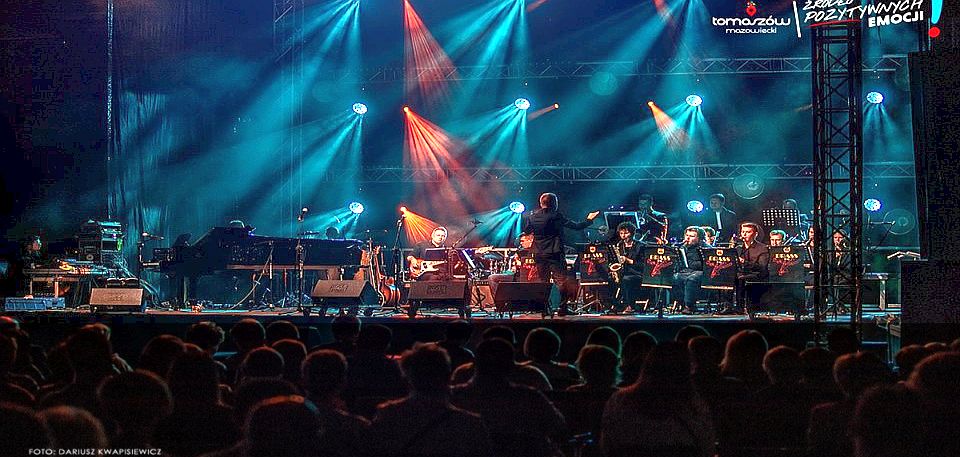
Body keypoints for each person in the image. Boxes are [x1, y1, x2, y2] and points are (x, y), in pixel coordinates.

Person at [522, 193, 599, 315]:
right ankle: (562, 308)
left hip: (539, 252)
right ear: (555, 204)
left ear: (541, 203)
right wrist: (589, 220)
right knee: (561, 280)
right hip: (554, 252)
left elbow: (526, 231)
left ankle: (544, 309)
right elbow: (576, 226)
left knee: (543, 281)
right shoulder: (556, 216)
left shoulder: (532, 216)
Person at [720, 222, 768, 315]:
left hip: (756, 274)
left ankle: (740, 307)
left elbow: (762, 267)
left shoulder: (762, 248)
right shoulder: (738, 248)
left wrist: (744, 262)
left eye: (748, 232)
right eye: (743, 232)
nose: (744, 234)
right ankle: (728, 306)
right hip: (741, 272)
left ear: (755, 234)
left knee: (740, 278)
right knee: (726, 277)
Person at [609, 222, 644, 314]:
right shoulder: (619, 245)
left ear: (632, 233)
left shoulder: (640, 246)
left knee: (626, 280)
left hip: (636, 272)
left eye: (626, 233)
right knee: (609, 278)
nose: (623, 236)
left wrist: (628, 260)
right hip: (623, 272)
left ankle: (629, 305)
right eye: (621, 233)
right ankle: (614, 304)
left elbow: (643, 265)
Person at [487, 233, 537, 298]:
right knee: (492, 278)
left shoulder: (537, 252)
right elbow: (515, 265)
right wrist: (514, 267)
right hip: (517, 276)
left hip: (530, 278)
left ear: (530, 240)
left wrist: (521, 264)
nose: (521, 243)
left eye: (522, 241)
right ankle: (500, 300)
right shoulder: (520, 252)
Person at [674, 226, 706, 314]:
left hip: (701, 272)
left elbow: (707, 265)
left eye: (691, 236)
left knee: (692, 279)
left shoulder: (706, 248)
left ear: (699, 238)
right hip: (687, 271)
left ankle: (689, 306)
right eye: (687, 235)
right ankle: (681, 303)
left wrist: (692, 264)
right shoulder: (683, 247)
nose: (687, 238)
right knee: (675, 277)